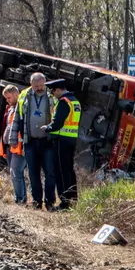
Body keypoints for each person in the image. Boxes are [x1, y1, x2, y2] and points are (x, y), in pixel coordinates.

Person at [13, 72, 57, 210]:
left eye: (41, 85)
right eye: (36, 86)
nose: (39, 88)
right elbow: (16, 117)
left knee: (50, 172)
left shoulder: (52, 96)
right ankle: (37, 201)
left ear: (45, 83)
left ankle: (49, 201)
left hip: (48, 142)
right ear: (31, 84)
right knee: (33, 172)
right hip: (30, 140)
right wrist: (13, 136)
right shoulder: (24, 96)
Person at [45, 78, 81, 208]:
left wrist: (47, 128)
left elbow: (57, 123)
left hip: (61, 140)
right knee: (69, 170)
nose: (53, 95)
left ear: (58, 90)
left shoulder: (63, 102)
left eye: (53, 92)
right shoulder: (75, 101)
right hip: (71, 140)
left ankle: (65, 202)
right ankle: (73, 199)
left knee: (61, 171)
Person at [0, 85, 26, 205]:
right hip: (11, 146)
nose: (7, 100)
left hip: (19, 146)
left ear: (16, 95)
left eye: (9, 98)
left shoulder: (22, 108)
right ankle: (21, 197)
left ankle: (20, 199)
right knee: (15, 172)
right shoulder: (10, 109)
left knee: (16, 171)